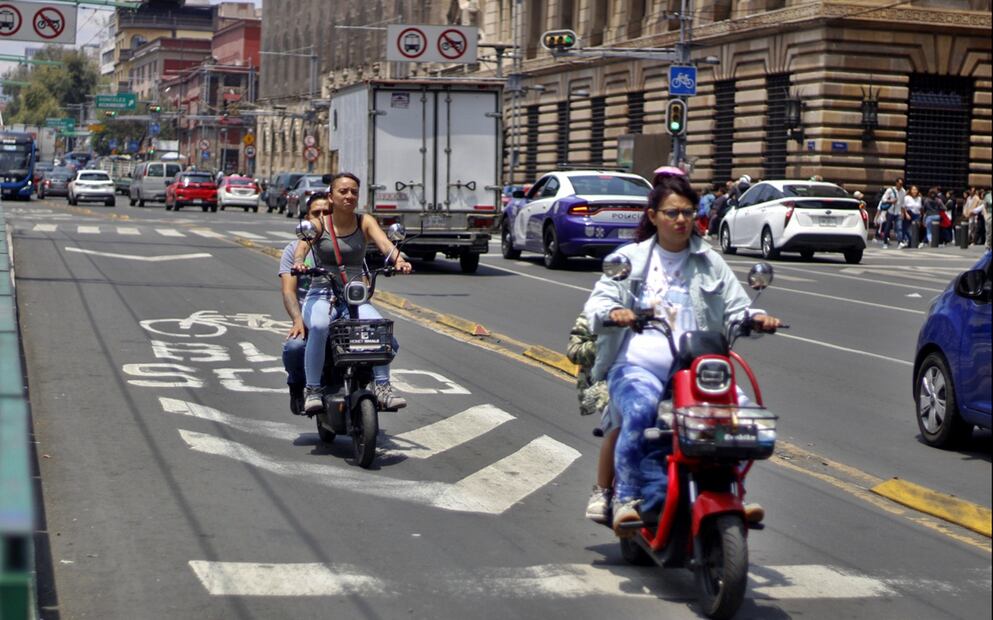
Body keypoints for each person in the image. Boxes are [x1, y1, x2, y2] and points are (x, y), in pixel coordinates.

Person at [584, 173, 781, 536]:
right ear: (654, 215)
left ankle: (732, 492)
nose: (680, 220)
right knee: (642, 410)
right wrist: (616, 313)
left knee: (740, 417)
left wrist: (757, 318)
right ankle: (626, 499)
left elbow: (737, 307)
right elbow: (599, 302)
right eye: (672, 212)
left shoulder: (709, 261)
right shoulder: (630, 259)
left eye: (688, 212)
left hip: (697, 370)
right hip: (637, 368)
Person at [292, 173, 412, 413]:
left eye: (354, 192)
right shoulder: (319, 224)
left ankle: (383, 387)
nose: (349, 196)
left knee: (378, 326)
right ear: (331, 196)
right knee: (318, 326)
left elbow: (386, 246)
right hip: (322, 293)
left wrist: (400, 261)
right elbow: (301, 248)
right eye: (343, 191)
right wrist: (299, 263)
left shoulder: (364, 221)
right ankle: (313, 389)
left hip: (355, 295)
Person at [566, 312, 616, 524]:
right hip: (604, 383)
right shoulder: (599, 310)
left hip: (651, 377)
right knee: (621, 422)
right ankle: (603, 491)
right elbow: (574, 351)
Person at [277, 195, 322, 415]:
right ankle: (296, 385)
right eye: (316, 214)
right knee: (294, 348)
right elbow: (288, 290)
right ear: (307, 219)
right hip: (308, 313)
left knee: (385, 343)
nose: (322, 218)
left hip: (340, 312)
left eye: (327, 213)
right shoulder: (294, 249)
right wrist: (297, 320)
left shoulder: (344, 245)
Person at [877, 177, 905, 248]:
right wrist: (890, 201)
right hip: (890, 211)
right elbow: (883, 199)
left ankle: (900, 242)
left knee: (899, 227)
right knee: (887, 227)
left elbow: (903, 203)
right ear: (896, 183)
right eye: (899, 183)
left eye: (901, 184)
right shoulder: (890, 190)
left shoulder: (903, 191)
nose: (900, 185)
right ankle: (885, 242)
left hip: (898, 212)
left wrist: (902, 213)